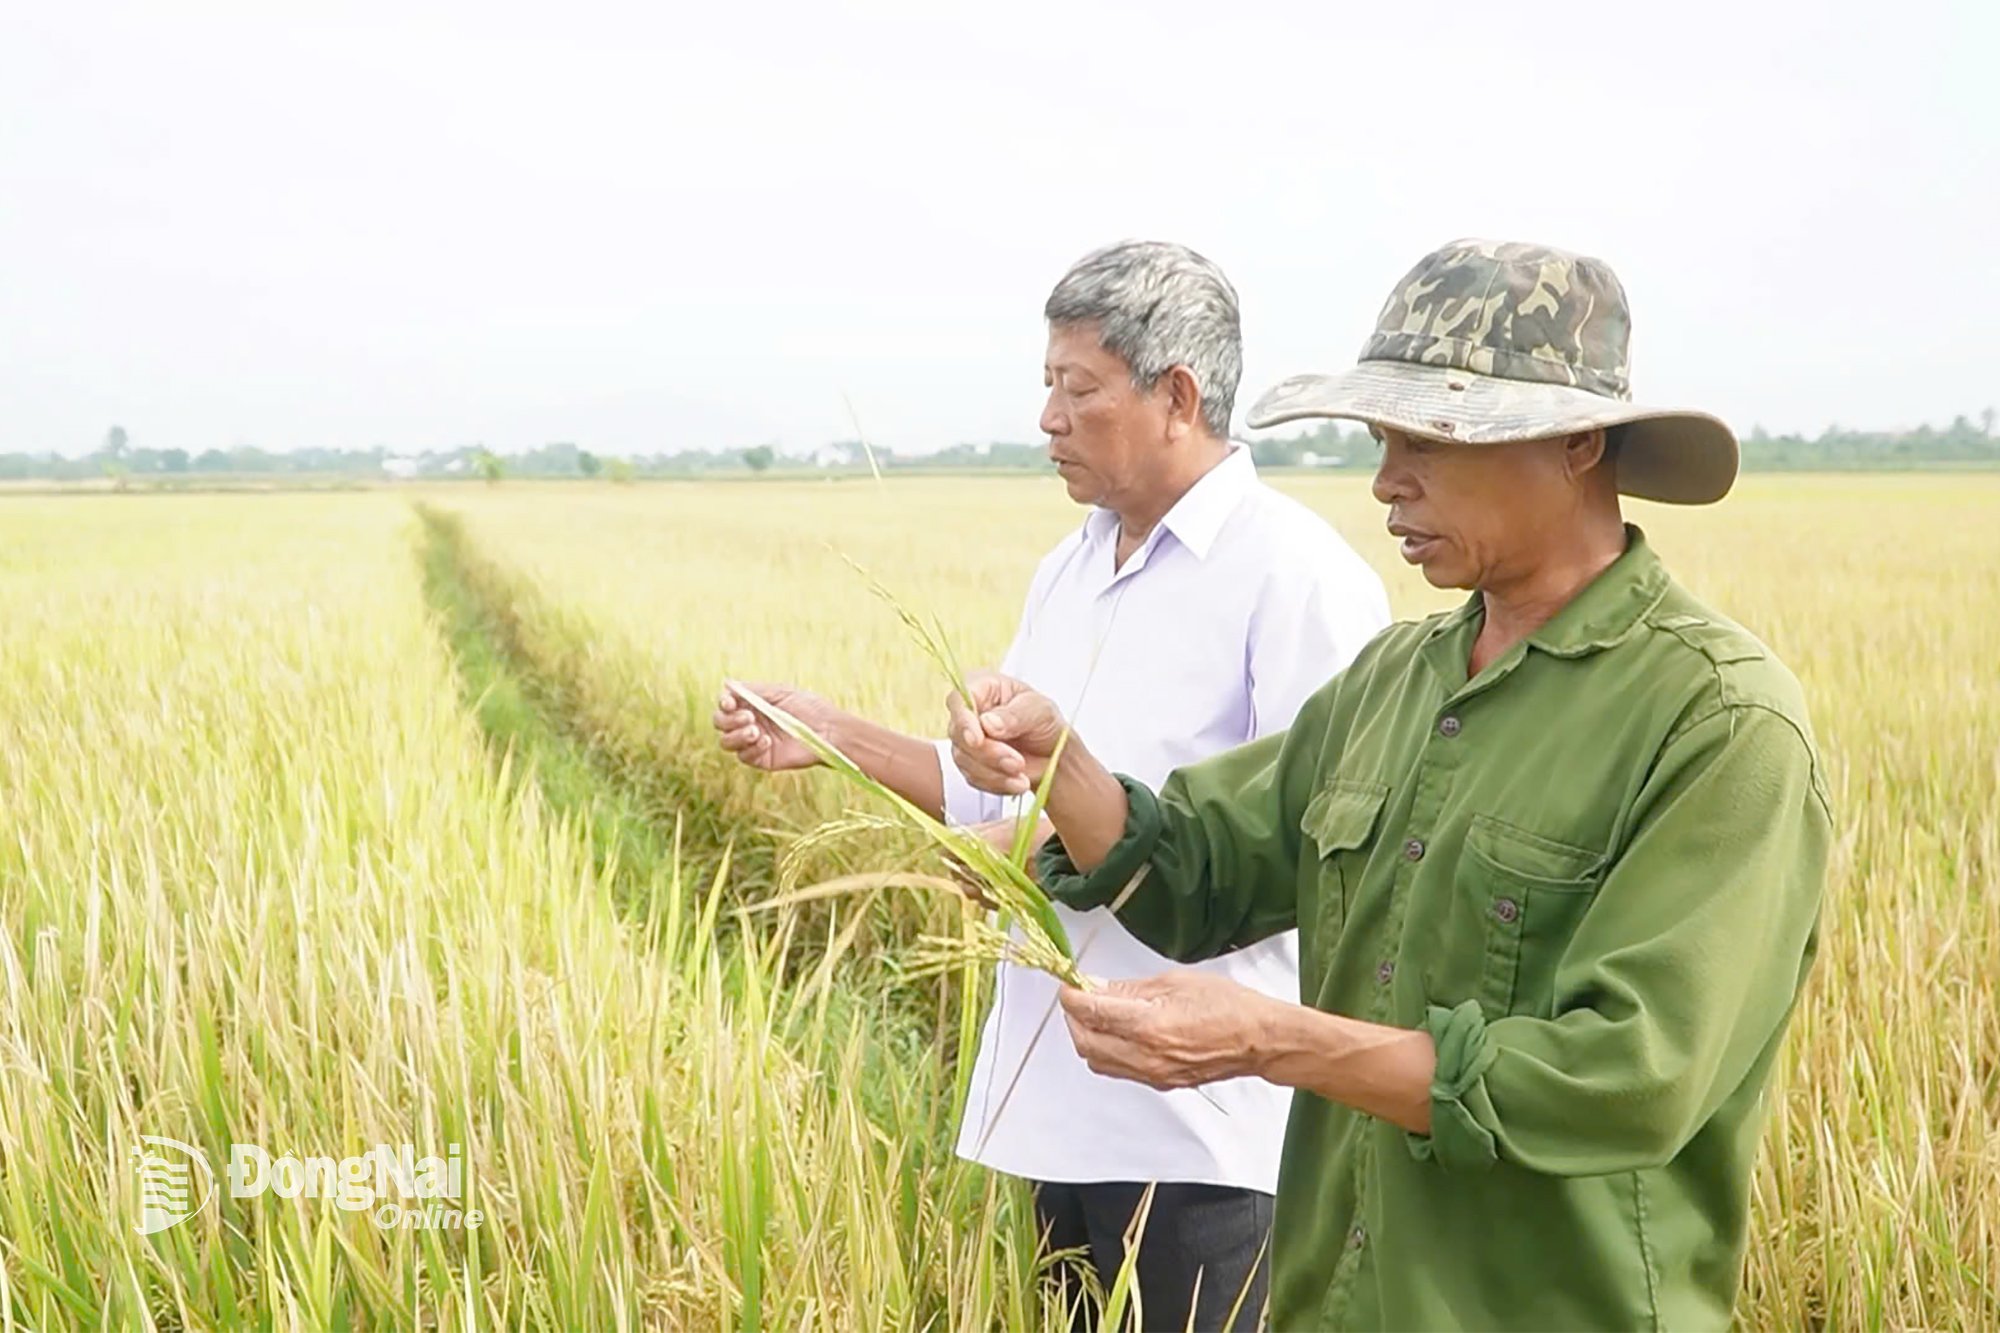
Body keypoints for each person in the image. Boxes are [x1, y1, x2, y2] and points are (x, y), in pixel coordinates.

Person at [945, 239, 1832, 1330]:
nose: (1384, 482)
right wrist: (1061, 764)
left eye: (1427, 440)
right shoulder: (1392, 684)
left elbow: (1625, 1074)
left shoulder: (1714, 720)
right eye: (1380, 438)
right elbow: (1199, 867)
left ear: (1574, 446)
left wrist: (1268, 1038)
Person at [712, 239, 1387, 1329]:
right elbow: (1003, 799)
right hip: (1057, 1101)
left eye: (1075, 388)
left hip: (1204, 1128)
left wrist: (1030, 851)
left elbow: (1322, 848)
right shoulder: (1069, 568)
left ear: (1175, 394)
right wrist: (828, 734)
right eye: (1045, 386)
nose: (1046, 418)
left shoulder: (1293, 577)